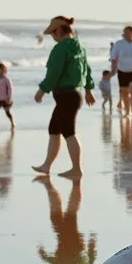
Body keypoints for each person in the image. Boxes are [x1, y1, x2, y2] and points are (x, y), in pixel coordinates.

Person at [33, 15, 96, 178]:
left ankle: (77, 169)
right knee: (54, 129)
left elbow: (54, 71)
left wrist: (42, 90)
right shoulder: (80, 47)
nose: (53, 37)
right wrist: (89, 90)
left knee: (69, 132)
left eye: (53, 33)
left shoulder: (61, 48)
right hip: (72, 95)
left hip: (66, 96)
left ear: (59, 30)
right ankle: (47, 165)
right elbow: (87, 70)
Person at [108, 26, 132, 120]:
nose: (126, 34)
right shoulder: (118, 44)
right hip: (122, 70)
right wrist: (113, 70)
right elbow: (113, 57)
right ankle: (127, 111)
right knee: (124, 92)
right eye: (124, 32)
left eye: (128, 32)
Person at [0, 62, 15, 130]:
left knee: (7, 112)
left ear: (4, 70)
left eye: (1, 70)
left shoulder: (6, 79)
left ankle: (12, 123)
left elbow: (10, 88)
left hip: (5, 99)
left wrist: (9, 97)